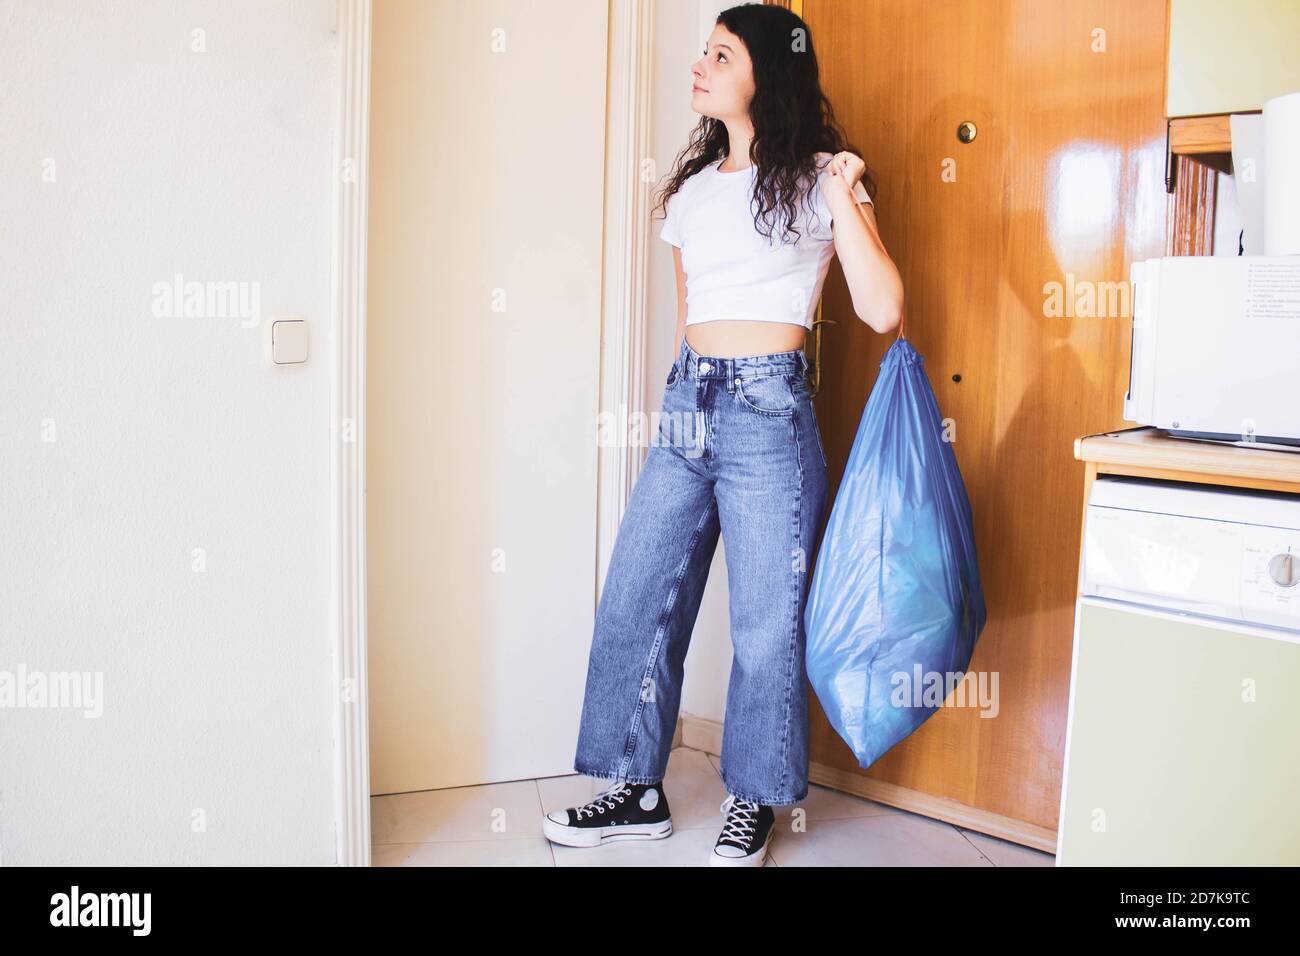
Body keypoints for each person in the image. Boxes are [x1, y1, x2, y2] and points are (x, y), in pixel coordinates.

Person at [542, 3, 903, 866]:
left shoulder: (824, 177)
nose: (699, 65)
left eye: (721, 54)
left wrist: (840, 194)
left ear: (768, 74)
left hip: (769, 412)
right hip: (687, 403)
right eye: (702, 51)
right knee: (639, 591)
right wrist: (679, 404)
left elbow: (883, 309)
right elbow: (688, 317)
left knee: (767, 624)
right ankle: (635, 788)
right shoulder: (689, 194)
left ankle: (754, 797)